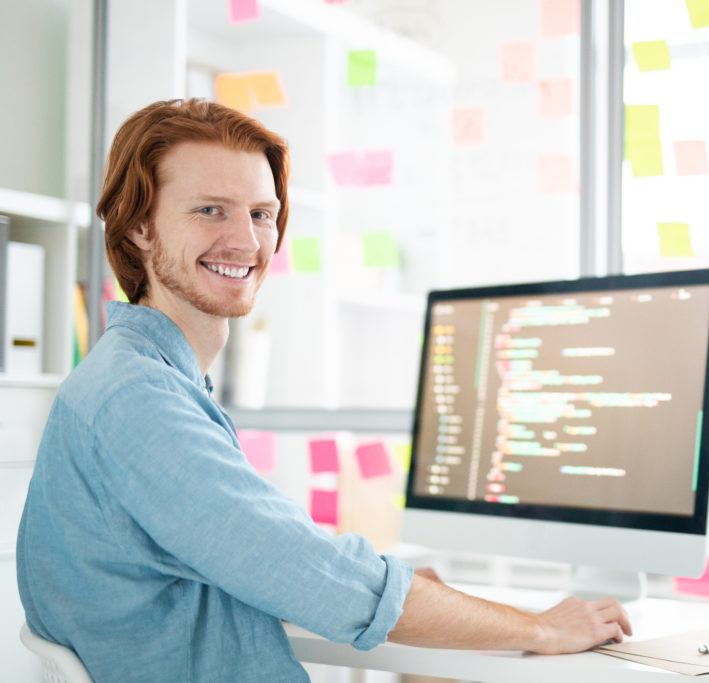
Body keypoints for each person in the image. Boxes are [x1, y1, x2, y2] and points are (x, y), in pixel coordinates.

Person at [16, 98, 630, 682]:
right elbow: (314, 576)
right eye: (210, 210)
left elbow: (265, 557)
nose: (247, 241)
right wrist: (541, 627)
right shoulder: (139, 401)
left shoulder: (144, 378)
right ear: (140, 227)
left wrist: (403, 588)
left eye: (260, 213)